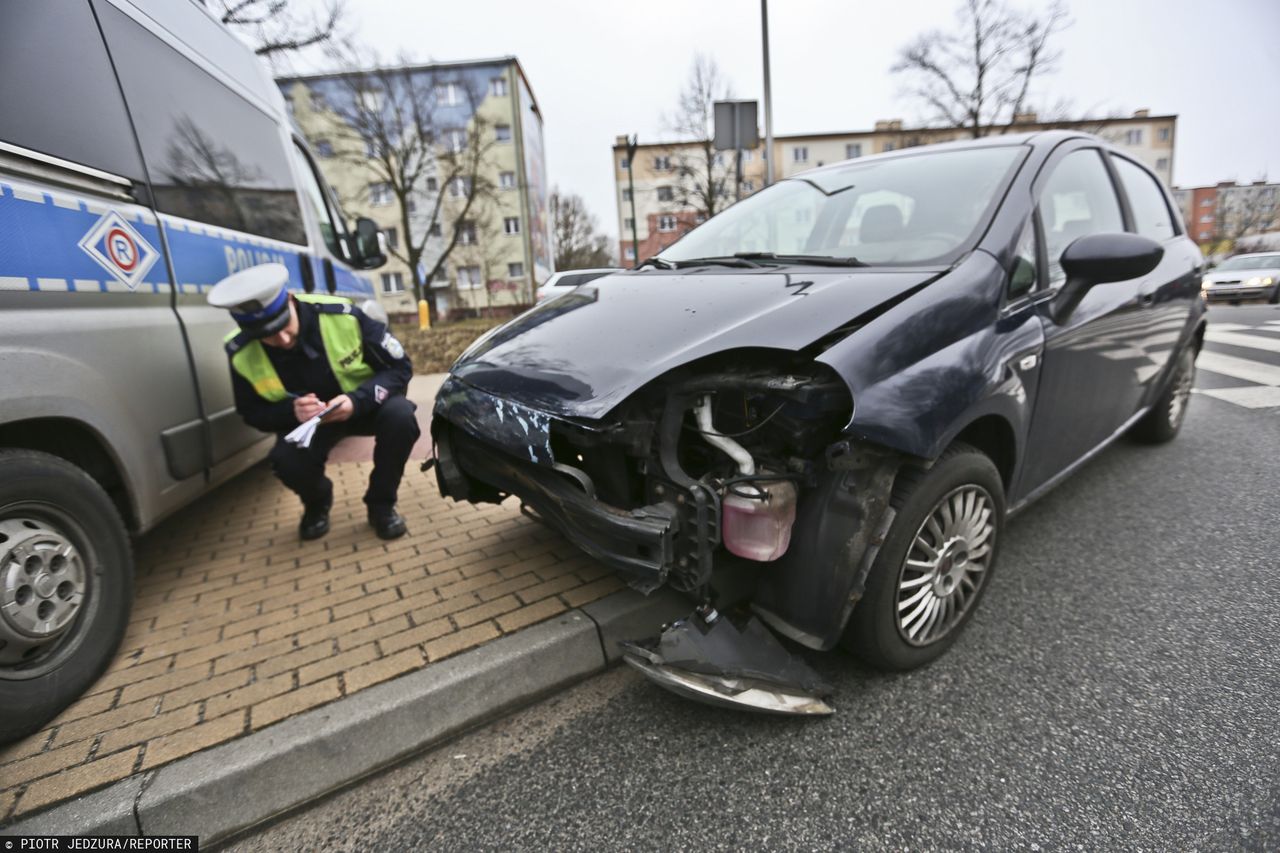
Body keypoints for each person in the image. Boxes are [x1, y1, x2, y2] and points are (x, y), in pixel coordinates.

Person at [208, 264, 420, 541]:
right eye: (268, 337)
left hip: (363, 407)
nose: (282, 339)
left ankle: (381, 505)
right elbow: (251, 412)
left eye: (284, 326)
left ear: (291, 300)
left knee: (401, 418)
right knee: (285, 461)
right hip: (307, 425)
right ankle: (317, 502)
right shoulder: (240, 352)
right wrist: (290, 411)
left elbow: (399, 368)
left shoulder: (342, 316)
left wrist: (357, 401)